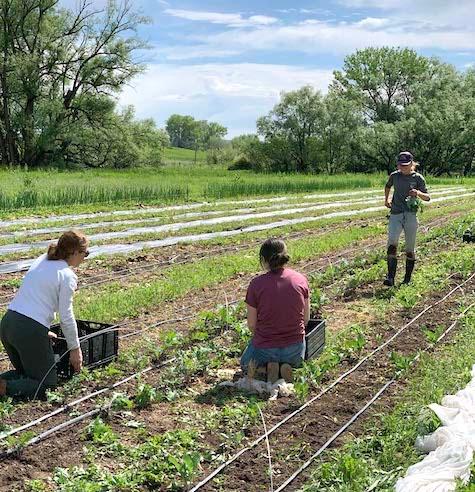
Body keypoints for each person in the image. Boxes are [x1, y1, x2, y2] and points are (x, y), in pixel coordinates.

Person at [0, 230, 89, 399]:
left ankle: (6, 384)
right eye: (86, 253)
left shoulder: (43, 260)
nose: (85, 258)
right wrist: (75, 349)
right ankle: (5, 388)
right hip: (27, 329)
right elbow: (66, 316)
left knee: (25, 374)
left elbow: (34, 297)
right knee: (46, 384)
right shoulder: (67, 275)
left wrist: (41, 330)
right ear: (75, 252)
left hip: (8, 324)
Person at [240, 238, 310, 383]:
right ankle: (287, 366)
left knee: (245, 364)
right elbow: (305, 319)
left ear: (263, 260)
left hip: (265, 348)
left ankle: (265, 369)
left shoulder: (256, 284)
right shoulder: (300, 279)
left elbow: (252, 325)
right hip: (295, 349)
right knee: (293, 360)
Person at [384, 151, 431, 287]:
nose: (403, 168)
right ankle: (390, 277)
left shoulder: (418, 178)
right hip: (395, 214)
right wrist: (386, 199)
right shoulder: (395, 176)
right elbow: (387, 186)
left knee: (410, 248)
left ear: (412, 164)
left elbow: (428, 197)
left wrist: (418, 193)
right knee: (392, 244)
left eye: (406, 165)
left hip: (410, 215)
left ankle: (407, 279)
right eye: (401, 165)